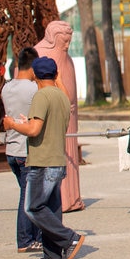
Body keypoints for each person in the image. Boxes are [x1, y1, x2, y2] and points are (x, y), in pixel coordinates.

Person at [2, 57, 85, 259]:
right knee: (51, 208)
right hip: (57, 159)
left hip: (42, 161)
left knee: (33, 207)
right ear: (55, 74)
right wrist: (26, 123)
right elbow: (45, 125)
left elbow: (34, 130)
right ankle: (53, 256)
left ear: (36, 76)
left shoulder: (41, 95)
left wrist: (12, 124)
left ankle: (69, 238)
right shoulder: (62, 97)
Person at [34, 21, 83, 212]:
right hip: (53, 116)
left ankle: (72, 198)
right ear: (54, 38)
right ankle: (57, 201)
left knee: (69, 157)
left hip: (69, 116)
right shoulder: (39, 53)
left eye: (69, 41)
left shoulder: (66, 57)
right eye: (64, 41)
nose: (67, 45)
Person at [2, 47, 43, 254]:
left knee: (27, 194)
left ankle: (34, 236)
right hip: (25, 150)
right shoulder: (33, 90)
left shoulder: (6, 88)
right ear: (34, 66)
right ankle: (26, 239)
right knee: (28, 198)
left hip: (11, 148)